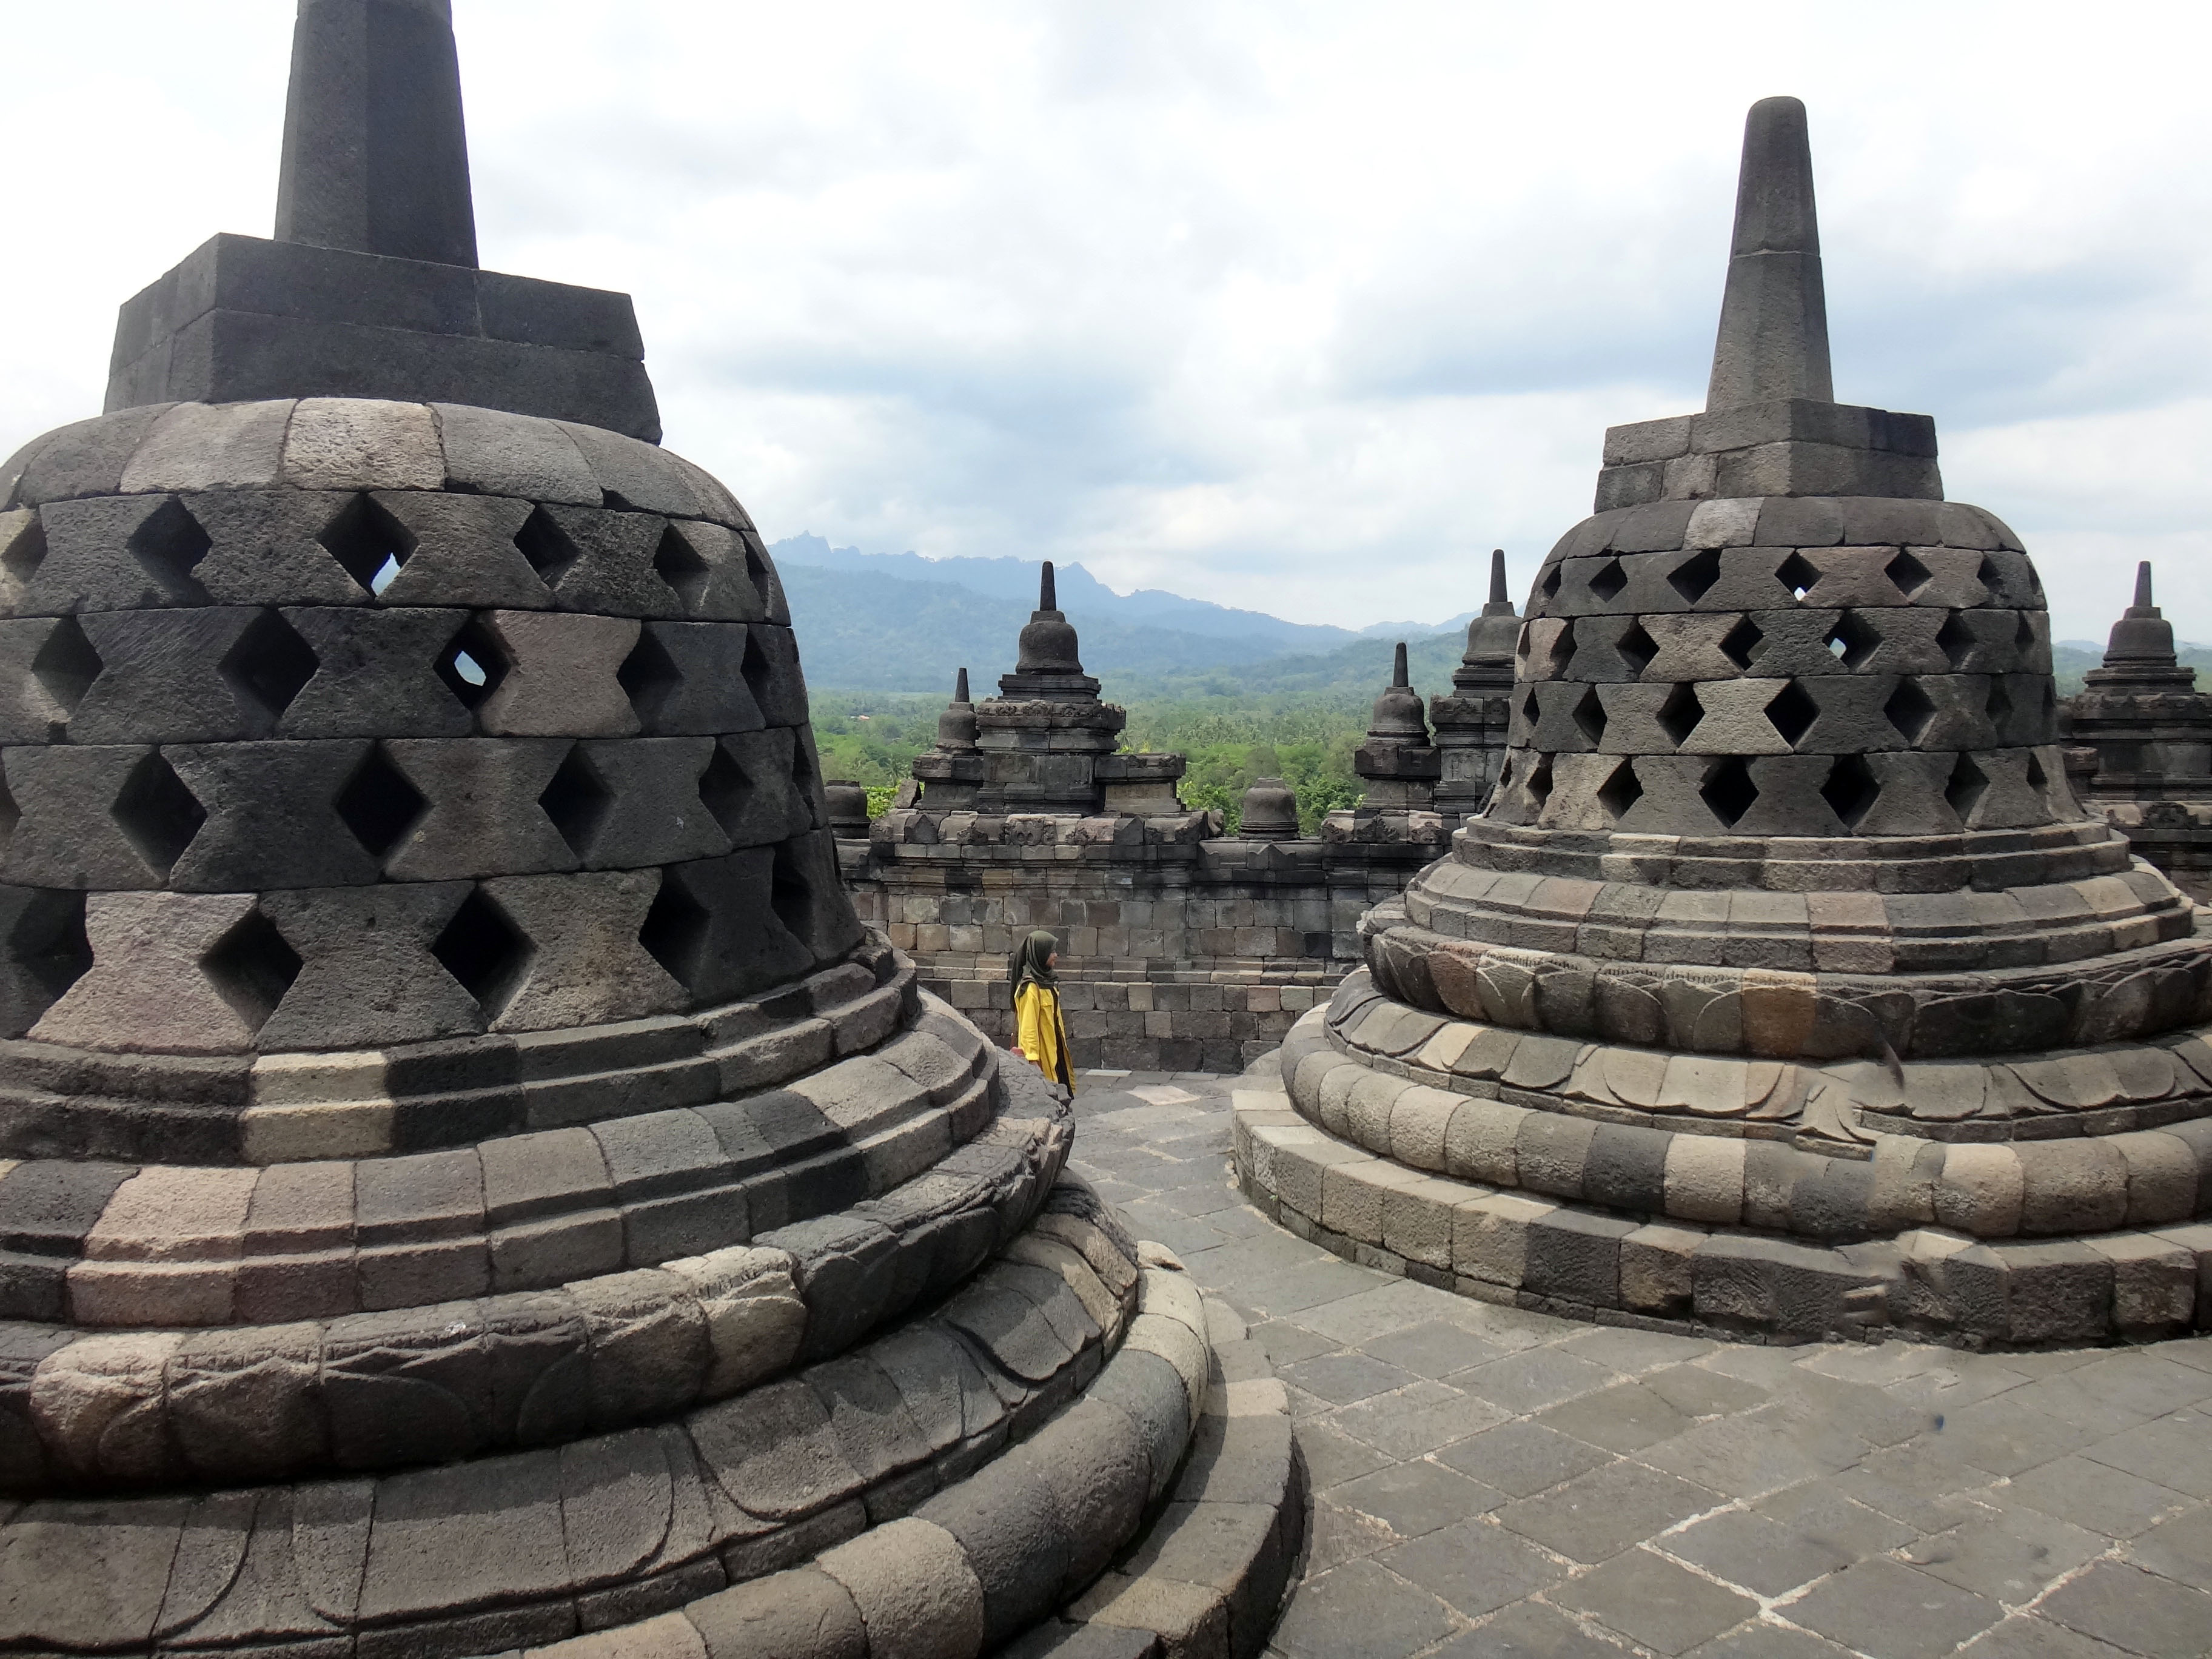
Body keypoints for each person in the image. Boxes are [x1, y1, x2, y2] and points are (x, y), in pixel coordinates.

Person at [1008, 929, 1075, 1094]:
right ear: (1040, 953)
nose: (1056, 955)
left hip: (1055, 1046)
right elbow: (1028, 1027)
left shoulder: (1047, 981)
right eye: (1051, 951)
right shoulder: (1030, 988)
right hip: (1042, 1053)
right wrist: (1032, 1060)